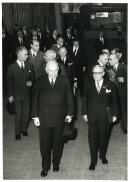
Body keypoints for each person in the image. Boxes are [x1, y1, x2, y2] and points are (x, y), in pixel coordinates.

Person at [31, 61, 74, 177]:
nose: (54, 73)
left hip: (59, 118)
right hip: (44, 118)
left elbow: (70, 99)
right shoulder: (40, 82)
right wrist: (35, 116)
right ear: (46, 70)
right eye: (51, 70)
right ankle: (45, 167)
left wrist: (70, 114)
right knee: (45, 144)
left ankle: (56, 163)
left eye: (56, 70)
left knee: (58, 143)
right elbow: (35, 99)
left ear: (58, 70)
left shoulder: (64, 81)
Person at [82, 65, 118, 171]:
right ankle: (93, 161)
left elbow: (115, 101)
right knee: (92, 139)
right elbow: (85, 100)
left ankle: (102, 155)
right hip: (92, 116)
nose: (96, 75)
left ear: (103, 73)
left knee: (104, 137)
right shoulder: (88, 85)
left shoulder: (110, 85)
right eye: (94, 73)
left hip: (105, 116)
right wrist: (84, 113)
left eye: (98, 73)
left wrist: (115, 114)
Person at [7, 46, 35, 140]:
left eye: (27, 54)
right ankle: (17, 132)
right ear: (18, 54)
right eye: (25, 54)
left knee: (26, 113)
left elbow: (32, 78)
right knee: (18, 114)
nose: (27, 56)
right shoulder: (11, 67)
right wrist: (10, 95)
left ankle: (24, 129)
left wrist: (31, 82)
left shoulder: (29, 66)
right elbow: (9, 83)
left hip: (27, 94)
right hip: (16, 94)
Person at [109, 54, 127, 134]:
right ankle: (110, 126)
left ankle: (124, 127)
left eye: (111, 59)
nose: (109, 61)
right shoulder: (109, 68)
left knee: (123, 110)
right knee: (113, 109)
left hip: (122, 93)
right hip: (113, 94)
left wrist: (124, 79)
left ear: (117, 60)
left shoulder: (124, 67)